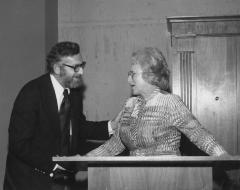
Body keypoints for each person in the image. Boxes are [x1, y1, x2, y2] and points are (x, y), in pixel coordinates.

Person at [3, 41, 111, 190]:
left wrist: (112, 126)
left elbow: (79, 128)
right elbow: (19, 144)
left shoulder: (74, 94)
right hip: (29, 182)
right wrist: (54, 166)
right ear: (57, 68)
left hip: (62, 182)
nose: (81, 72)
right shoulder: (32, 93)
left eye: (82, 65)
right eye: (75, 67)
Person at [86, 47, 228, 157]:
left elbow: (198, 134)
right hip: (133, 178)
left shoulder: (170, 102)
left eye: (132, 74)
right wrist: (84, 159)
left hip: (167, 178)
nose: (129, 80)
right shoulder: (129, 105)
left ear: (150, 75)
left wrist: (221, 155)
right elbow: (115, 144)